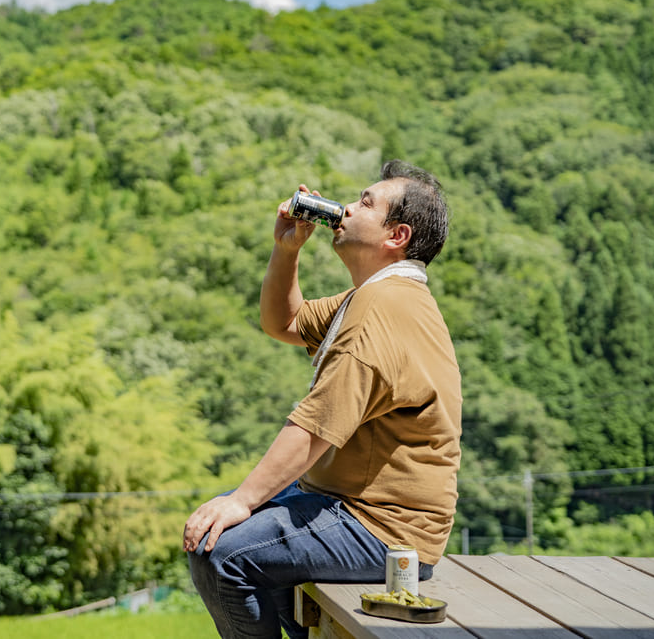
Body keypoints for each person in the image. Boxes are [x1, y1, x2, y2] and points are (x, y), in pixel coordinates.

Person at [183, 160, 461, 639]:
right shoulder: (373, 297)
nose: (348, 207)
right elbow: (284, 324)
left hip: (383, 528)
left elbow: (315, 427)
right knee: (229, 531)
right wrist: (286, 251)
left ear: (397, 235)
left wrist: (244, 501)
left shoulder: (381, 311)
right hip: (346, 504)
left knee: (221, 551)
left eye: (366, 203)